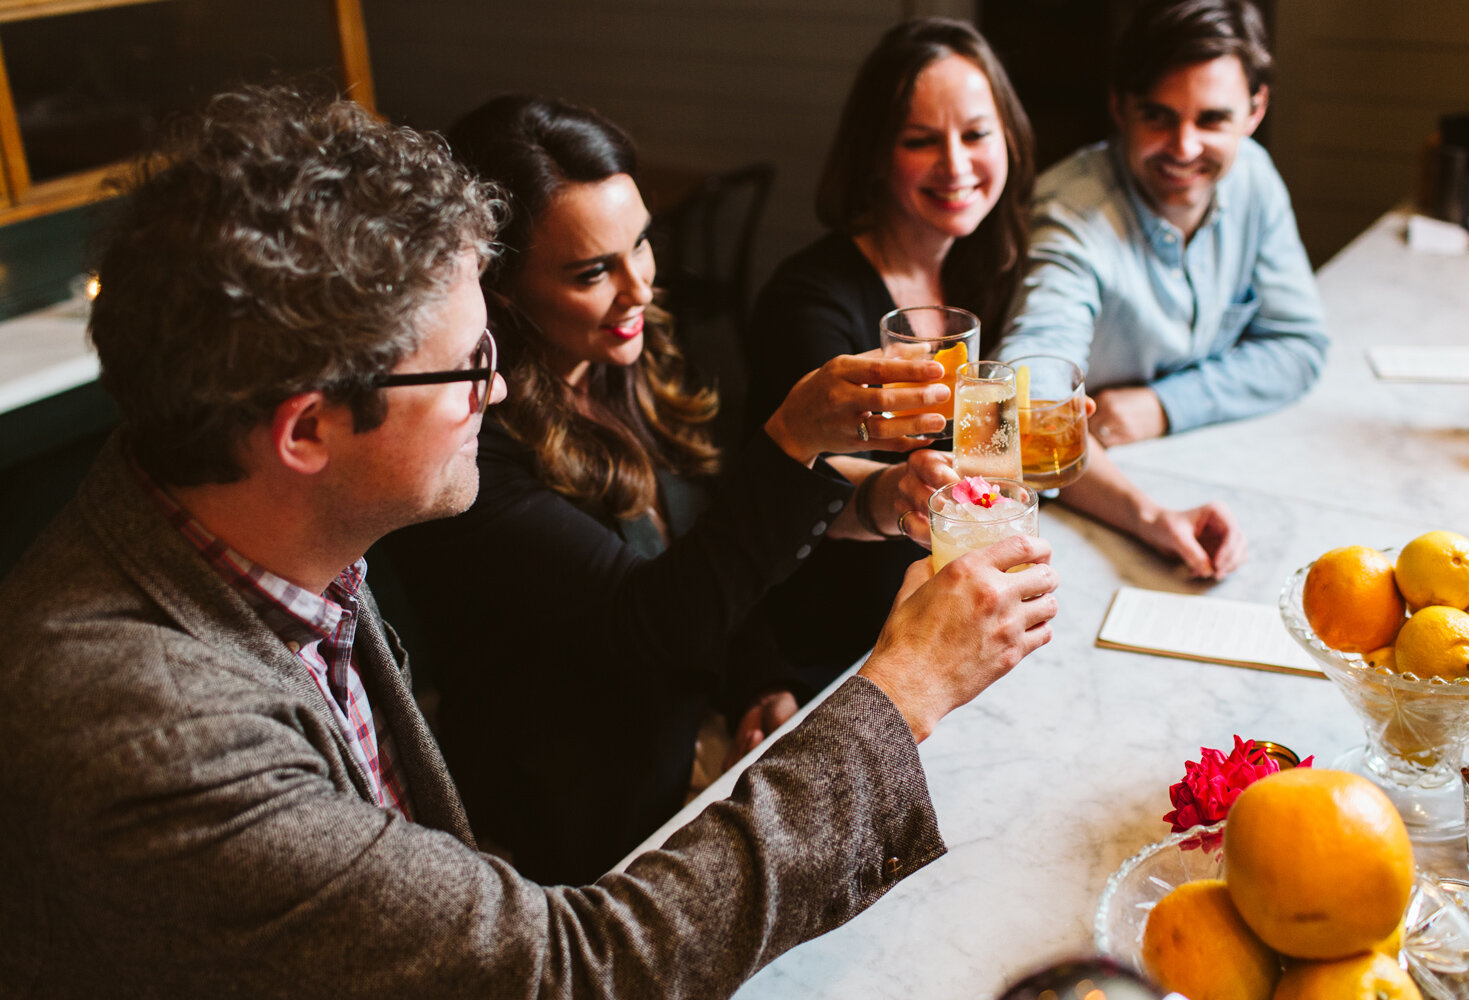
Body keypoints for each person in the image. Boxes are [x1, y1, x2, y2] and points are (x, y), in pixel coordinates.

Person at [0, 85, 1060, 996]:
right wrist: (905, 688)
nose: (501, 386)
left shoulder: (260, 524)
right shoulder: (152, 734)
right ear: (307, 428)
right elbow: (573, 971)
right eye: (468, 367)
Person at [382, 94, 953, 885]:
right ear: (498, 288)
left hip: (694, 751)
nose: (638, 289)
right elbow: (652, 621)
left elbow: (709, 538)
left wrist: (758, 677)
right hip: (582, 820)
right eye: (592, 271)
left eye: (641, 245)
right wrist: (791, 438)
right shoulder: (474, 446)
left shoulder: (623, 358)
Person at [746, 17, 1038, 680]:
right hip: (844, 646)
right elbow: (803, 475)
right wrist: (897, 491)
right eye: (920, 141)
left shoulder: (992, 267)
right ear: (876, 155)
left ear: (1009, 140)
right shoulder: (808, 297)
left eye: (975, 134)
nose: (957, 165)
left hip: (971, 613)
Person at [999, 0, 1325, 575]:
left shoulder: (1255, 177)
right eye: (1158, 116)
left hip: (1204, 463)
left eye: (1212, 119)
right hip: (1084, 505)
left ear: (1255, 109)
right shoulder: (1071, 217)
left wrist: (1162, 407)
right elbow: (1026, 391)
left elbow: (1298, 346)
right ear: (1120, 106)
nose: (1183, 146)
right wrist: (1148, 513)